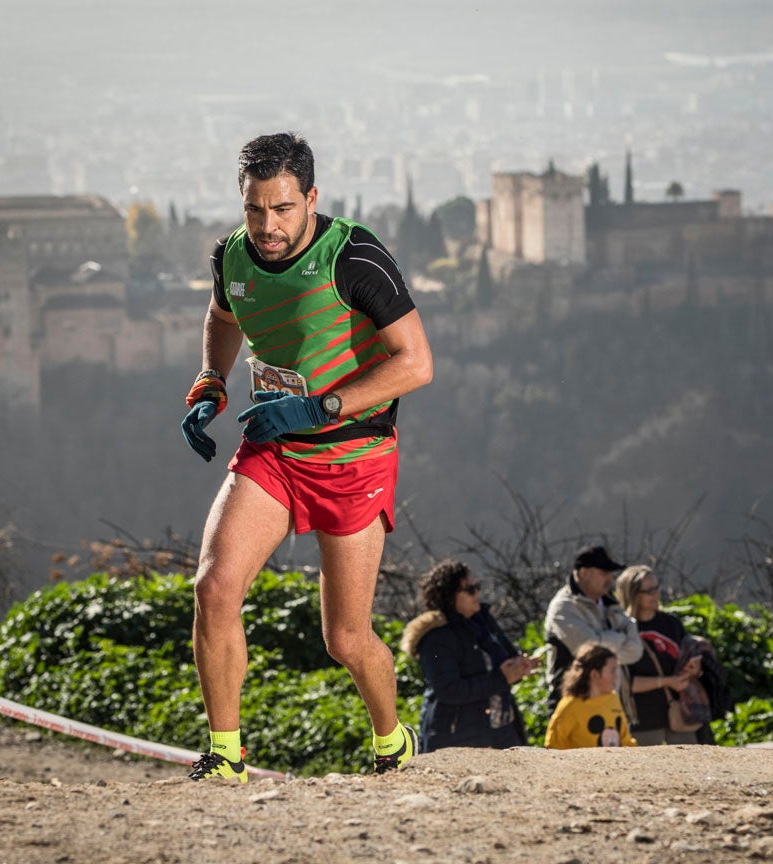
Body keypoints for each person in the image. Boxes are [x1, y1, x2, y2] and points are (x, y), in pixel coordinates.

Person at [179, 132, 433, 781]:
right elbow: (224, 314)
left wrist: (321, 408)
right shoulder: (232, 255)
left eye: (284, 209)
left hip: (354, 456)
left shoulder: (354, 256)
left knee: (345, 638)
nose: (268, 226)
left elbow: (417, 363)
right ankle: (226, 756)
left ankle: (391, 743)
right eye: (255, 209)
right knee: (213, 588)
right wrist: (212, 380)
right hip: (275, 451)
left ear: (311, 199)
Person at [400, 560, 539, 752]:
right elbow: (449, 690)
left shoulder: (483, 621)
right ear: (449, 596)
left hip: (502, 730)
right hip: (457, 736)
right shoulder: (436, 638)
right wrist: (501, 678)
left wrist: (519, 666)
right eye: (469, 589)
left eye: (477, 587)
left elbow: (505, 658)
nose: (477, 593)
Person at [613, 565, 727, 745]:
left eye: (657, 588)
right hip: (643, 721)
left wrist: (695, 667)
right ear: (633, 595)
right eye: (649, 591)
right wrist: (667, 681)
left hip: (681, 715)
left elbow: (688, 656)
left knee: (690, 769)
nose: (656, 594)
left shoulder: (671, 624)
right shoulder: (623, 629)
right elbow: (624, 683)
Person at [543, 544, 642, 714]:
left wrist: (603, 641)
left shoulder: (611, 604)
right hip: (572, 706)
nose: (610, 579)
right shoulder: (563, 607)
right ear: (583, 573)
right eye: (604, 573)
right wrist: (620, 637)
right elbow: (588, 649)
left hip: (610, 704)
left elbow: (635, 651)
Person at [544, 643, 638, 749]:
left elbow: (624, 738)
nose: (617, 676)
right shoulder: (570, 705)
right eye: (612, 671)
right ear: (595, 674)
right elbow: (553, 745)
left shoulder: (613, 698)